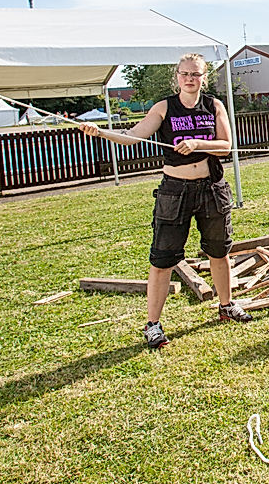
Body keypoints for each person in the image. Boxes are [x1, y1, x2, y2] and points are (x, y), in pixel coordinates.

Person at [79, 53, 250, 349]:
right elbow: (133, 137)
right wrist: (101, 133)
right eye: (185, 74)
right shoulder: (163, 108)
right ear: (177, 77)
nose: (189, 79)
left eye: (195, 74)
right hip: (175, 190)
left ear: (203, 77)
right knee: (162, 259)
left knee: (219, 251)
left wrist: (198, 144)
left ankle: (226, 306)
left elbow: (226, 146)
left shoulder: (214, 106)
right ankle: (153, 325)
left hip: (212, 187)